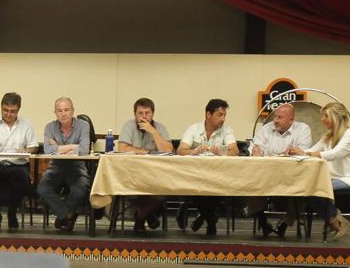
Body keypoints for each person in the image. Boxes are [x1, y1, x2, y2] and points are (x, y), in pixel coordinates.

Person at [288, 101, 350, 239]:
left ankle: (334, 221)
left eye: (326, 116)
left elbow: (333, 155)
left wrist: (305, 154)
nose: (322, 119)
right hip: (336, 177)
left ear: (336, 118)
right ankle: (334, 219)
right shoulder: (328, 136)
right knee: (311, 187)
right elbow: (312, 150)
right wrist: (297, 151)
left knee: (316, 187)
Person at [247, 103, 313, 237]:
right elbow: (255, 147)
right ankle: (263, 222)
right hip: (267, 173)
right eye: (275, 116)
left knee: (305, 187)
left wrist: (296, 152)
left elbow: (302, 152)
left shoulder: (303, 129)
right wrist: (254, 151)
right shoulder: (266, 129)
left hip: (293, 174)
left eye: (280, 117)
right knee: (248, 184)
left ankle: (285, 223)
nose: (275, 120)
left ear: (291, 120)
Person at [178, 98, 239, 236]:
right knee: (192, 189)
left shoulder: (226, 130)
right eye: (219, 115)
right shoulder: (193, 129)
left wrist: (223, 152)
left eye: (224, 115)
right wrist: (195, 151)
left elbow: (235, 151)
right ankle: (211, 220)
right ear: (208, 114)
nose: (223, 119)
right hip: (194, 176)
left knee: (218, 189)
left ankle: (204, 216)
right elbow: (180, 151)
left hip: (218, 176)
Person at [0, 92, 37, 230]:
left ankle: (12, 213)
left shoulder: (27, 125)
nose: (8, 114)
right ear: (1, 108)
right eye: (5, 110)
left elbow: (34, 147)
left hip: (18, 164)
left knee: (22, 180)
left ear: (18, 110)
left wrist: (27, 150)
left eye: (12, 111)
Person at [116, 97, 172, 233]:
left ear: (153, 114)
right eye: (140, 113)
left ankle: (141, 215)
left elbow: (168, 150)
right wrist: (146, 151)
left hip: (155, 173)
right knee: (120, 185)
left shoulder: (160, 127)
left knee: (165, 188)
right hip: (131, 172)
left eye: (147, 113)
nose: (144, 116)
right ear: (135, 114)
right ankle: (148, 214)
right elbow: (122, 148)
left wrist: (152, 131)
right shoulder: (128, 125)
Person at [38, 97, 92, 232]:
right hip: (56, 166)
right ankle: (68, 214)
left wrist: (58, 147)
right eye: (59, 111)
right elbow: (47, 150)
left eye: (66, 110)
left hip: (76, 167)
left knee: (80, 189)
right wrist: (74, 147)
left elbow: (84, 150)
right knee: (42, 188)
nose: (63, 113)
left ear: (73, 111)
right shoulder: (50, 127)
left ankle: (62, 216)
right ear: (55, 113)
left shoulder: (83, 126)